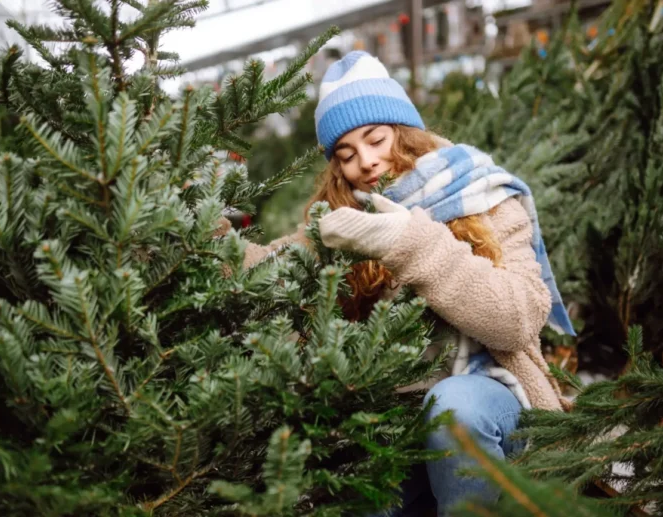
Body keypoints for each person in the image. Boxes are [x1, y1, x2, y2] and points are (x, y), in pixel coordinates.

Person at [232, 51, 575, 516]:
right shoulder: (345, 223)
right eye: (347, 155)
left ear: (404, 130)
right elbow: (271, 267)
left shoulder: (482, 194)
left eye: (376, 139)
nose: (367, 163)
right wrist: (199, 235)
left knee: (453, 409)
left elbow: (517, 320)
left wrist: (409, 243)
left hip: (489, 402)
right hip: (395, 419)